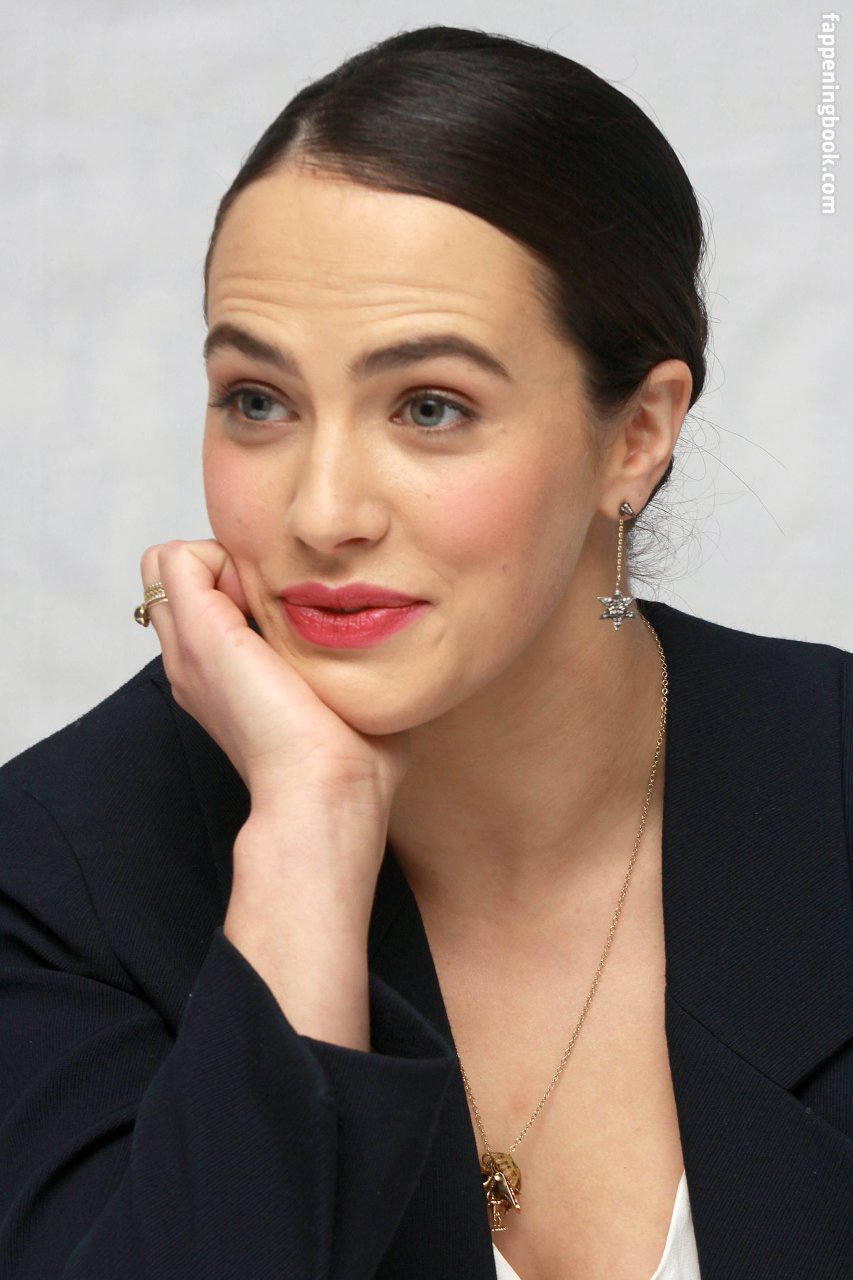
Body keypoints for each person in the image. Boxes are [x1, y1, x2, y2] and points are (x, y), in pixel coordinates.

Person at [0, 24, 851, 1280]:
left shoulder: (827, 775)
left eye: (430, 407)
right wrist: (308, 831)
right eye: (258, 401)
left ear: (636, 435)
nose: (322, 510)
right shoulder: (55, 874)